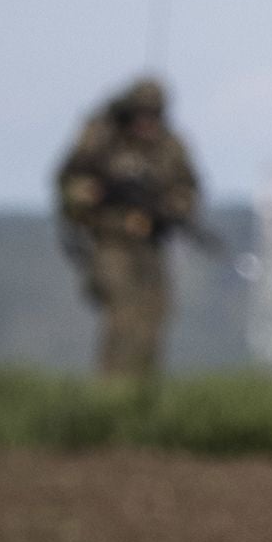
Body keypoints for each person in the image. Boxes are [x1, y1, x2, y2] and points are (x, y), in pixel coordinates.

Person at [53, 75, 208, 385]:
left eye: (154, 115)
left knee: (154, 316)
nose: (146, 122)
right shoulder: (101, 140)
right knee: (124, 319)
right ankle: (112, 394)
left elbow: (189, 190)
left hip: (151, 246)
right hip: (111, 244)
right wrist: (98, 196)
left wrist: (170, 209)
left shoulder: (170, 147)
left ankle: (142, 393)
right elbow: (69, 185)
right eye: (141, 114)